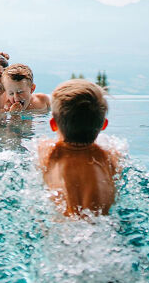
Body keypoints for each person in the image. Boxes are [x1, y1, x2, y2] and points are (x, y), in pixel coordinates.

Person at [38, 79, 119, 217]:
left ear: (53, 124)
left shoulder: (48, 152)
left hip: (64, 230)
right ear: (103, 125)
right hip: (105, 228)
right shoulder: (111, 157)